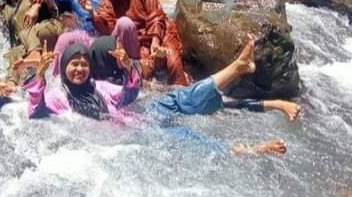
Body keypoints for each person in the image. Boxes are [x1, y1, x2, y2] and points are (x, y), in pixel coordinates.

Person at [25, 36, 298, 155]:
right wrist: (39, 77)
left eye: (84, 64)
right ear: (63, 68)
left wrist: (127, 67)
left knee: (184, 97)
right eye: (74, 64)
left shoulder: (99, 86)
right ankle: (245, 150)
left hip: (141, 117)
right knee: (189, 137)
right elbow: (36, 110)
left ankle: (237, 68)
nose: (80, 69)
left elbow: (129, 94)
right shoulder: (59, 97)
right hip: (132, 134)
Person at [93, 0, 189, 86]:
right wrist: (90, 13)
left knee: (173, 61)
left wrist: (155, 41)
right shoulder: (106, 3)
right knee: (143, 67)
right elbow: (107, 30)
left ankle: (183, 91)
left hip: (158, 34)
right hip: (134, 44)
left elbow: (156, 15)